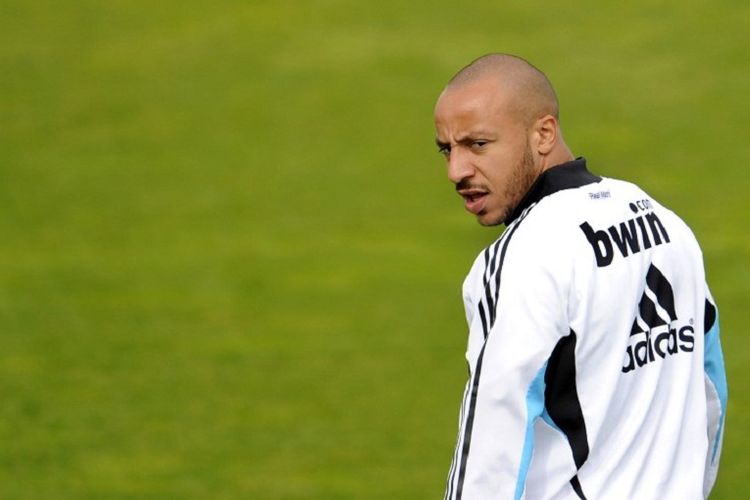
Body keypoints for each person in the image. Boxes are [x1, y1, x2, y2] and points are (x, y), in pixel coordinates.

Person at [434, 53, 727, 500]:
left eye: (478, 145)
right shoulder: (666, 224)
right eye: (447, 149)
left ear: (544, 133)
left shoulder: (522, 257)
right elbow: (710, 392)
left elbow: (493, 447)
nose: (457, 171)